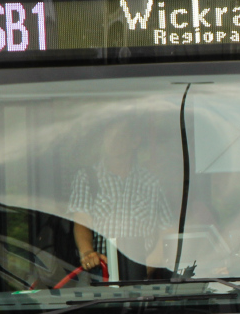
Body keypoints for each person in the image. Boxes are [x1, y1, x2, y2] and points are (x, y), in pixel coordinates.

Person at [69, 115, 175, 281]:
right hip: (101, 274)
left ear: (135, 141)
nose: (112, 141)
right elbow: (82, 221)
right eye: (108, 136)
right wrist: (88, 253)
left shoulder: (151, 182)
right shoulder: (87, 177)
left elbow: (167, 230)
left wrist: (149, 264)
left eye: (119, 136)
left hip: (144, 275)